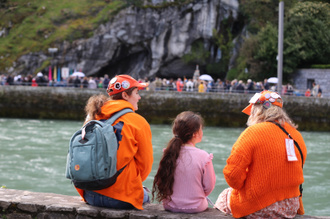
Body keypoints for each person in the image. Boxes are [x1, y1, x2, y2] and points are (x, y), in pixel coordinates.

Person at [215, 90, 307, 218]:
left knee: (224, 196)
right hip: (291, 206)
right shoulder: (296, 135)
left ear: (256, 111)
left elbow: (232, 176)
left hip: (259, 206)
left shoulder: (252, 133)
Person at [75, 75, 153, 210]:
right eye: (137, 92)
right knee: (146, 194)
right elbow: (145, 165)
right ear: (125, 95)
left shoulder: (94, 115)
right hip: (123, 199)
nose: (139, 97)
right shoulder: (138, 122)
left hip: (90, 195)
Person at [152, 111, 216, 213]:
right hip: (196, 206)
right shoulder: (204, 156)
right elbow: (209, 187)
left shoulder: (168, 153)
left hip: (169, 205)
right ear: (196, 134)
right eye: (201, 129)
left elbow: (161, 180)